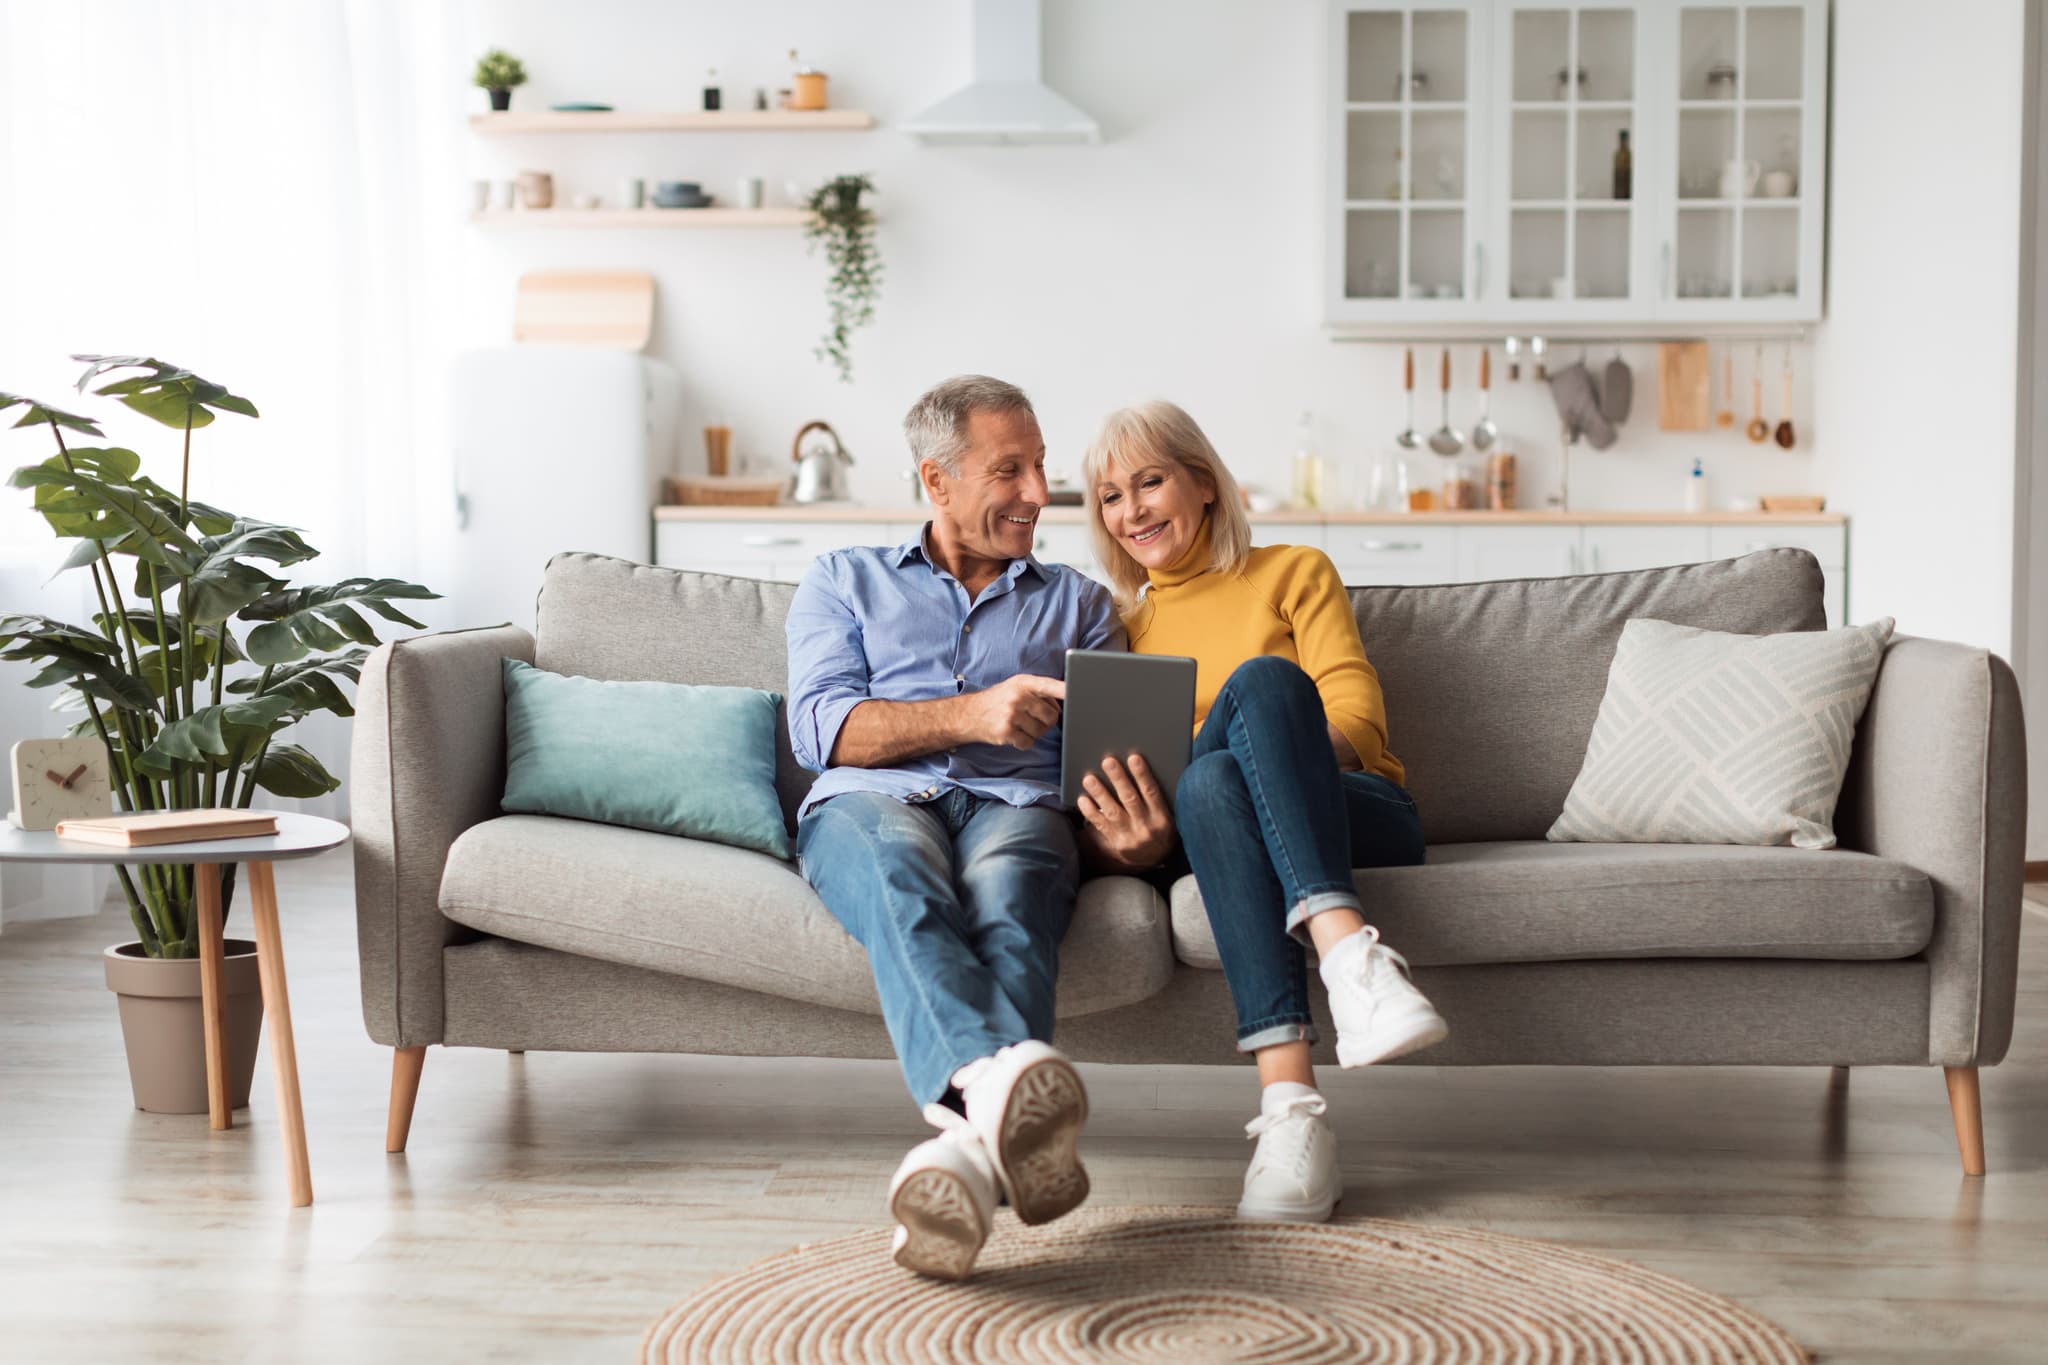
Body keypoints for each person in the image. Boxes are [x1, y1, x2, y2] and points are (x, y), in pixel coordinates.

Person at [1072, 400, 1446, 1223]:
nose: (1130, 510)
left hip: (1357, 811)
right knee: (1209, 788)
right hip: (1209, 831)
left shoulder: (1293, 571)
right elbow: (1134, 786)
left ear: (1203, 484)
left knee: (1267, 687)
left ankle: (1349, 964)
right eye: (1108, 496)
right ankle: (1295, 1116)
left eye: (1149, 481)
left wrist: (1251, 739)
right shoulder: (1117, 629)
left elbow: (1358, 724)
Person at [785, 375, 1121, 1280]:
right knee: (902, 883)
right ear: (936, 481)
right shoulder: (842, 580)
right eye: (1008, 470)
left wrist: (1136, 828)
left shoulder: (1082, 606)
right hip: (873, 801)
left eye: (1041, 466)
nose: (1039, 493)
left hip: (1018, 808)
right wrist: (975, 715)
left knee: (1014, 894)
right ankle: (992, 1082)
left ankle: (960, 1158)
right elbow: (823, 729)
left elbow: (1114, 761)